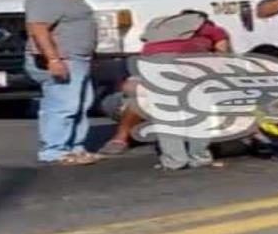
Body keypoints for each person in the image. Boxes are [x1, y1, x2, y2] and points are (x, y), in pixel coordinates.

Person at [99, 10, 232, 157]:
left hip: (152, 76)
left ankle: (120, 139)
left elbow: (130, 84)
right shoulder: (212, 30)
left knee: (141, 98)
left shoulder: (160, 30)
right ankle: (203, 147)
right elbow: (222, 56)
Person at [23, 0, 102, 166]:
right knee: (62, 105)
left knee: (81, 104)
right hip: (63, 58)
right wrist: (53, 59)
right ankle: (54, 150)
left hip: (78, 59)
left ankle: (75, 147)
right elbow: (38, 29)